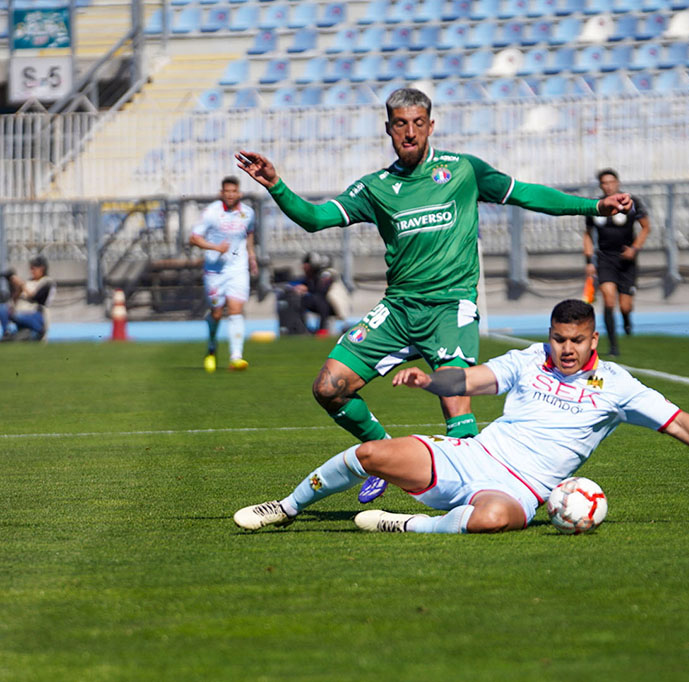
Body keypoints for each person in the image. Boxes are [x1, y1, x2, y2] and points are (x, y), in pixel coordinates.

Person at [235, 87, 632, 504]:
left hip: (449, 307)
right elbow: (316, 219)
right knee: (328, 387)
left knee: (455, 403)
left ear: (431, 126)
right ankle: (385, 454)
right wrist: (276, 185)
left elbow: (528, 194)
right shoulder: (377, 188)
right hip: (399, 309)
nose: (410, 132)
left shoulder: (463, 170)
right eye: (401, 124)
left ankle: (482, 495)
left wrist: (593, 207)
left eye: (418, 124)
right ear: (388, 128)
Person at [233, 299, 689, 535]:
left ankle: (409, 524)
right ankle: (285, 506)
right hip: (473, 456)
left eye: (576, 340)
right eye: (558, 339)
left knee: (493, 521)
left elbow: (678, 421)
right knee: (372, 454)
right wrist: (430, 380)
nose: (565, 349)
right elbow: (470, 380)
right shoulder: (526, 360)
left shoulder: (617, 385)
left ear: (592, 338)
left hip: (524, 489)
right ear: (550, 335)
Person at [189, 176, 257, 372]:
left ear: (239, 193)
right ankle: (211, 347)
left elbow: (249, 233)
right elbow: (194, 237)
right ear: (221, 193)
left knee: (236, 309)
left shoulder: (248, 213)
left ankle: (236, 357)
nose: (230, 195)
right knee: (217, 312)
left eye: (233, 191)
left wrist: (251, 255)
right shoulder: (211, 212)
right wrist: (215, 248)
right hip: (214, 271)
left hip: (237, 268)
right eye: (226, 191)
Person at [583, 169, 651, 357]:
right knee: (608, 297)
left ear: (618, 183)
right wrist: (589, 261)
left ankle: (627, 318)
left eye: (611, 182)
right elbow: (587, 235)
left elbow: (646, 227)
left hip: (626, 258)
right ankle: (613, 347)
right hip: (605, 258)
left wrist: (634, 249)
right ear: (601, 186)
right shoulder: (595, 206)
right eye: (604, 183)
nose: (608, 186)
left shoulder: (632, 202)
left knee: (625, 305)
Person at [276, 252, 352, 337]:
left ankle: (322, 330)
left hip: (335, 305)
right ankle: (302, 329)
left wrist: (306, 289)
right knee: (302, 300)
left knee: (320, 301)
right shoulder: (313, 276)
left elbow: (322, 291)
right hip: (326, 304)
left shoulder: (328, 274)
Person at [0, 255, 55, 341]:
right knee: (3, 308)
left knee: (16, 315)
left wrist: (21, 284)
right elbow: (15, 300)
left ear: (42, 268)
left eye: (34, 268)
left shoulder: (47, 282)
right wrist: (15, 286)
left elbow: (35, 297)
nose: (31, 271)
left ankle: (39, 332)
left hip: (37, 315)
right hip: (21, 314)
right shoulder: (29, 282)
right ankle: (6, 333)